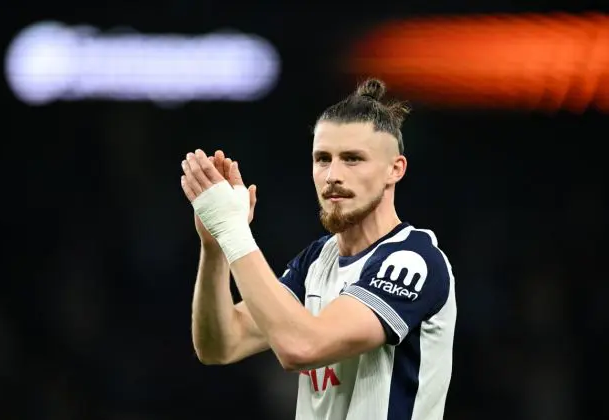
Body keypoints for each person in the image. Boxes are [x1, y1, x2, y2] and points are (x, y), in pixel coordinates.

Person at [180, 78, 456, 420]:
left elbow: (302, 346)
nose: (333, 175)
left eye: (353, 159)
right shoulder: (316, 262)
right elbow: (221, 344)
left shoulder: (413, 260)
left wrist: (234, 231)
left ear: (394, 169)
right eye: (322, 159)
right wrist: (216, 245)